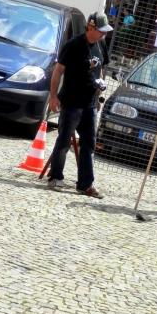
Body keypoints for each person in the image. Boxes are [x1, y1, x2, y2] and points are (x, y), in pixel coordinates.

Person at [46, 12, 113, 198]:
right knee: (64, 140)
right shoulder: (73, 45)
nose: (103, 34)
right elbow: (58, 70)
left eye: (105, 31)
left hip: (90, 104)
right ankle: (55, 177)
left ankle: (85, 184)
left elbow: (100, 70)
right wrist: (53, 96)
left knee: (89, 143)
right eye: (101, 31)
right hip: (71, 102)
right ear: (90, 28)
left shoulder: (101, 44)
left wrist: (99, 94)